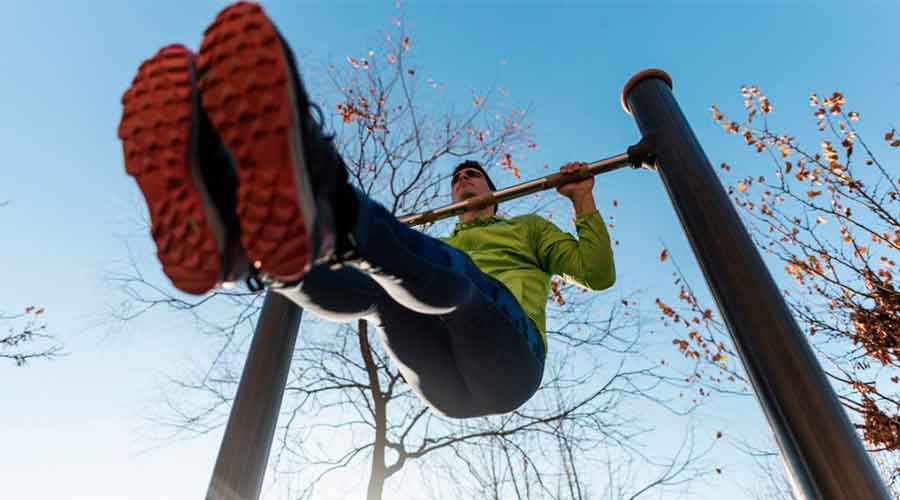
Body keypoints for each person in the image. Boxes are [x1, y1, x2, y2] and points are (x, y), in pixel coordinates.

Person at [117, 1, 615, 419]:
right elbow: (411, 274)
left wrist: (583, 200)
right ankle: (250, 257)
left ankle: (333, 213)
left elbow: (597, 274)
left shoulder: (524, 227)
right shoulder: (439, 248)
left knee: (459, 283)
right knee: (386, 293)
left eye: (474, 174)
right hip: (442, 387)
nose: (464, 179)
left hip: (511, 362)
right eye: (458, 177)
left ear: (491, 188)